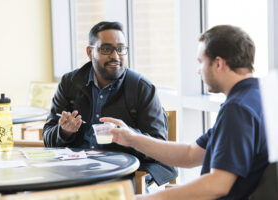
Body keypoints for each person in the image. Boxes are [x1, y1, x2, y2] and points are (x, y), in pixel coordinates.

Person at [101, 25, 269, 200]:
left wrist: (147, 199)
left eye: (201, 62)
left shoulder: (237, 109)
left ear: (218, 64)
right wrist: (131, 138)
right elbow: (190, 154)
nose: (199, 70)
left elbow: (218, 185)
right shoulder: (257, 97)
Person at [43, 21, 177, 186]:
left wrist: (130, 137)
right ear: (90, 51)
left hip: (126, 171)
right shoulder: (70, 83)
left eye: (120, 49)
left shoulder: (142, 88)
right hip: (76, 169)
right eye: (106, 49)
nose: (115, 56)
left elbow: (159, 149)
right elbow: (48, 137)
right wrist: (64, 132)